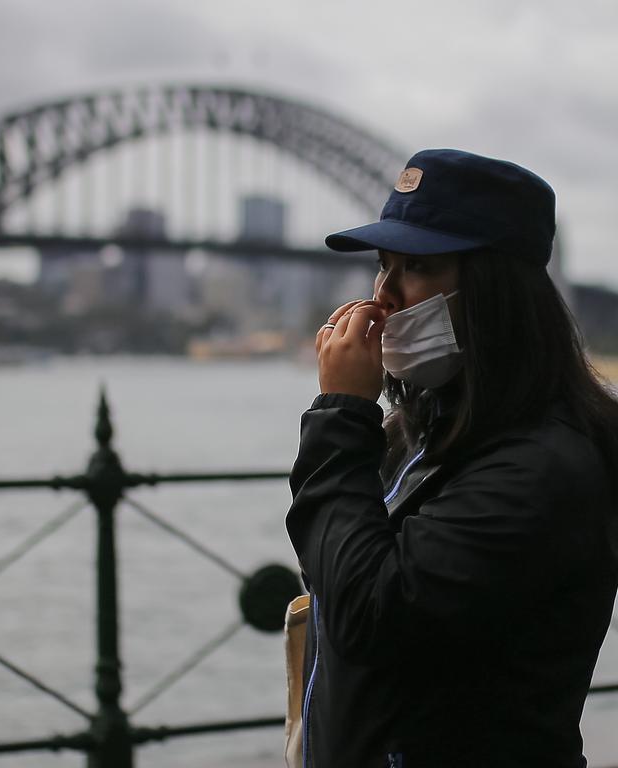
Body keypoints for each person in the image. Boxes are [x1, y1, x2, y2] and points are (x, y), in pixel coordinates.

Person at [285, 148, 618, 768]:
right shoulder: (421, 432)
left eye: (417, 266)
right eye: (383, 266)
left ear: (495, 293)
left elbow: (371, 620)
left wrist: (338, 413)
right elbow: (339, 573)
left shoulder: (540, 469)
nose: (383, 297)